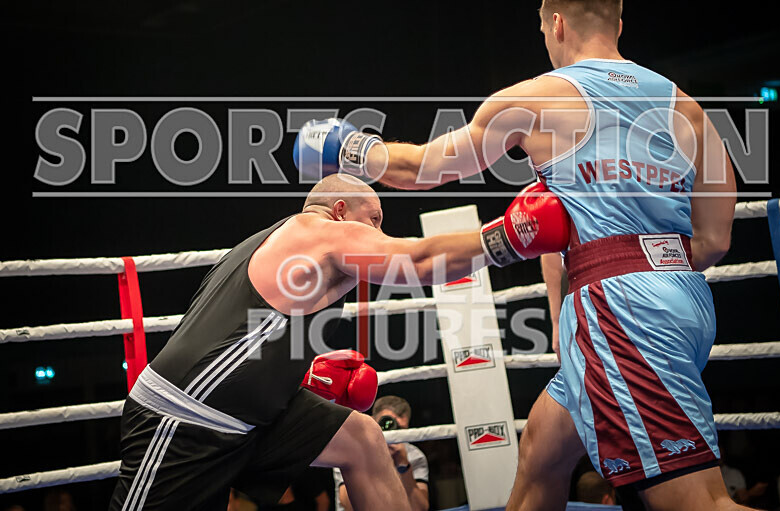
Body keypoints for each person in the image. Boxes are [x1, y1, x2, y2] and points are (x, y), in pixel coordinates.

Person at [294, 0, 745, 511]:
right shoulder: (688, 109)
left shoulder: (538, 98)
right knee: (542, 455)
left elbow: (422, 169)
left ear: (556, 26)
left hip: (621, 309)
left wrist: (347, 148)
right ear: (619, 26)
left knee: (698, 501)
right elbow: (716, 239)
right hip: (685, 304)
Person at [109, 174, 561, 511]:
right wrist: (508, 237)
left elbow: (240, 335)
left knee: (361, 437)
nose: (379, 235)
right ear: (341, 210)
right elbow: (420, 262)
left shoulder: (286, 247)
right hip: (182, 420)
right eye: (375, 220)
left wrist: (301, 376)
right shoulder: (323, 232)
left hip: (245, 419)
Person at [334, 396, 429, 511]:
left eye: (401, 429)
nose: (394, 432)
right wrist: (372, 459)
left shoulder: (414, 455)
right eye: (388, 424)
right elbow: (349, 507)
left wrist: (404, 467)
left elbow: (419, 508)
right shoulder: (350, 450)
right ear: (373, 421)